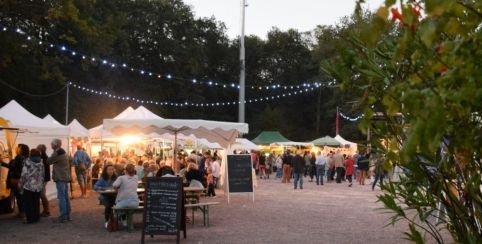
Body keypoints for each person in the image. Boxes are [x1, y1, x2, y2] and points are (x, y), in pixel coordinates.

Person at [46, 139, 71, 223]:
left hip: (60, 177)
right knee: (65, 197)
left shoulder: (57, 152)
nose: (51, 145)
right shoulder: (63, 152)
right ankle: (67, 215)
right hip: (65, 177)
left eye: (52, 144)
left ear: (56, 144)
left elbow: (48, 161)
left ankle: (63, 216)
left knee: (62, 197)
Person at [19, 148, 44, 224]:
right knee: (36, 202)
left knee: (28, 203)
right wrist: (41, 184)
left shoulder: (27, 162)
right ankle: (36, 217)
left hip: (28, 186)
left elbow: (24, 174)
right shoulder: (41, 163)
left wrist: (20, 184)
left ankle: (30, 219)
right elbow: (43, 175)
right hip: (38, 186)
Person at [7, 144, 30, 218]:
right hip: (21, 178)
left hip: (16, 178)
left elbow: (13, 167)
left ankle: (22, 213)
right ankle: (22, 212)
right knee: (21, 196)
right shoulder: (25, 157)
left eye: (18, 147)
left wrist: (2, 163)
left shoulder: (18, 157)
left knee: (19, 196)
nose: (16, 148)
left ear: (21, 149)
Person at [94, 164, 117, 228]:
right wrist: (101, 188)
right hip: (105, 195)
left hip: (113, 195)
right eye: (109, 169)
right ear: (106, 171)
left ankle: (121, 219)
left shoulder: (116, 178)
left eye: (112, 169)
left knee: (117, 202)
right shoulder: (102, 179)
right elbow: (95, 186)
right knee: (109, 204)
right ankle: (107, 221)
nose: (111, 171)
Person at [37, 144, 51, 217]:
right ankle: (46, 210)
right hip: (45, 178)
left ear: (41, 149)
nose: (37, 149)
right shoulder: (44, 156)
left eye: (38, 148)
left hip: (43, 178)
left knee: (42, 194)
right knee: (42, 194)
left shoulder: (42, 157)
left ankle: (47, 211)